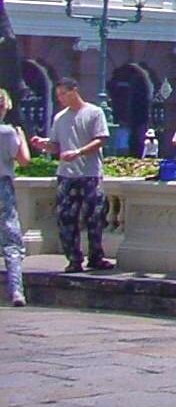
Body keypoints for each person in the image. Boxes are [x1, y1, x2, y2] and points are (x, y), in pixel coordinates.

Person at [28, 78, 113, 273]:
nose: (60, 98)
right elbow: (56, 145)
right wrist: (44, 145)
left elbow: (101, 139)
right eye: (57, 95)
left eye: (63, 94)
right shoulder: (60, 117)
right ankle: (74, 259)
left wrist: (79, 152)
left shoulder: (94, 112)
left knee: (94, 216)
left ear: (74, 91)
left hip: (90, 173)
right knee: (66, 218)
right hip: (66, 175)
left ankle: (96, 257)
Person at [0, 88, 32, 305]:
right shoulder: (8, 132)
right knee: (11, 240)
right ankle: (16, 291)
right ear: (6, 106)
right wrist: (22, 137)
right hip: (2, 186)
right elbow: (24, 160)